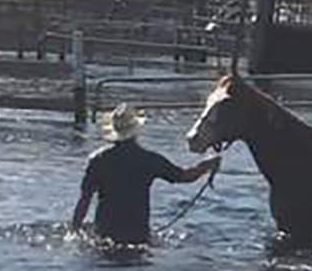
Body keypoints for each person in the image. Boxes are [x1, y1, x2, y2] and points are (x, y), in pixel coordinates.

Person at [70, 103, 220, 245]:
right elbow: (184, 176)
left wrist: (74, 230)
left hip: (105, 233)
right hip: (138, 234)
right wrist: (207, 164)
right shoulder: (149, 160)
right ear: (136, 130)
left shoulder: (97, 160)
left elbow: (84, 200)